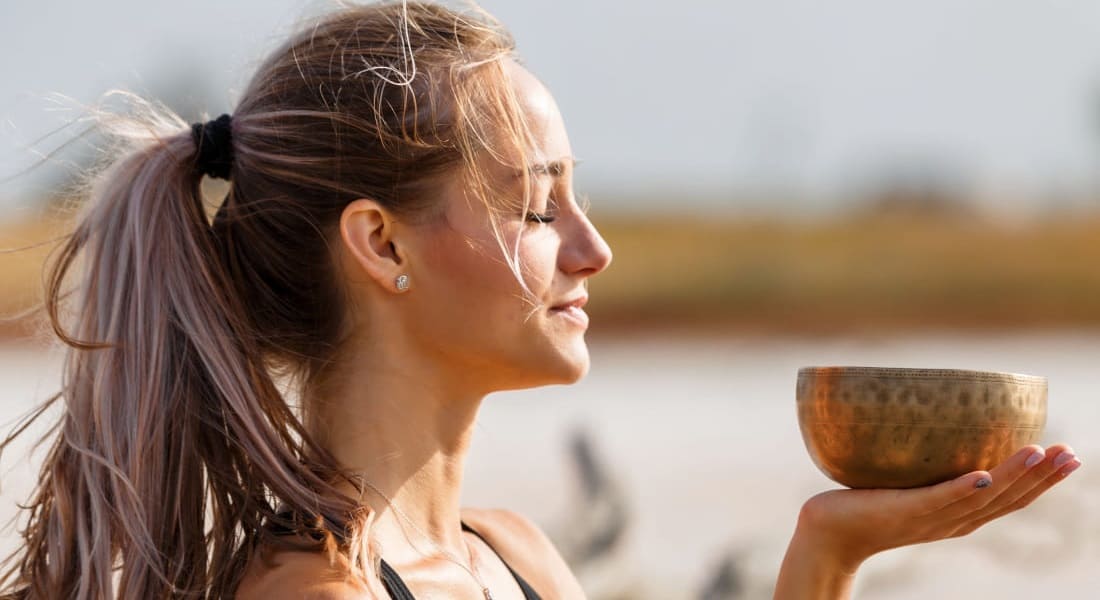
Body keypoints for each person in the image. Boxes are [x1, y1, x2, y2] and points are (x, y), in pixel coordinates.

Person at [0, 2, 1080, 599]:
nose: (593, 249)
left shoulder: (510, 556)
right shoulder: (312, 596)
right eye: (533, 207)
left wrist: (827, 550)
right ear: (380, 245)